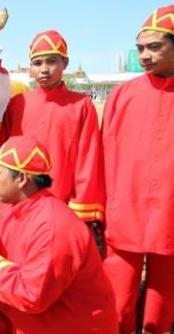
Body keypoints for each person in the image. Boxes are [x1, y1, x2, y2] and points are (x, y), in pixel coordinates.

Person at [0, 136, 117, 333]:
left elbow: (32, 296)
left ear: (22, 179)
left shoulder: (53, 227)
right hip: (47, 308)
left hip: (72, 324)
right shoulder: (18, 208)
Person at [101, 5, 174, 333]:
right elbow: (103, 155)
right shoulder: (121, 96)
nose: (144, 55)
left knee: (161, 310)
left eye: (154, 46)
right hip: (125, 213)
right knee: (117, 304)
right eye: (140, 48)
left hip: (171, 217)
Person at [0, 30, 105, 251]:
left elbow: (89, 158)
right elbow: (1, 151)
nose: (44, 69)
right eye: (37, 63)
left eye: (52, 61)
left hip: (60, 203)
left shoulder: (81, 104)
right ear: (30, 68)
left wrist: (81, 208)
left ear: (65, 63)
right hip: (19, 199)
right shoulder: (18, 104)